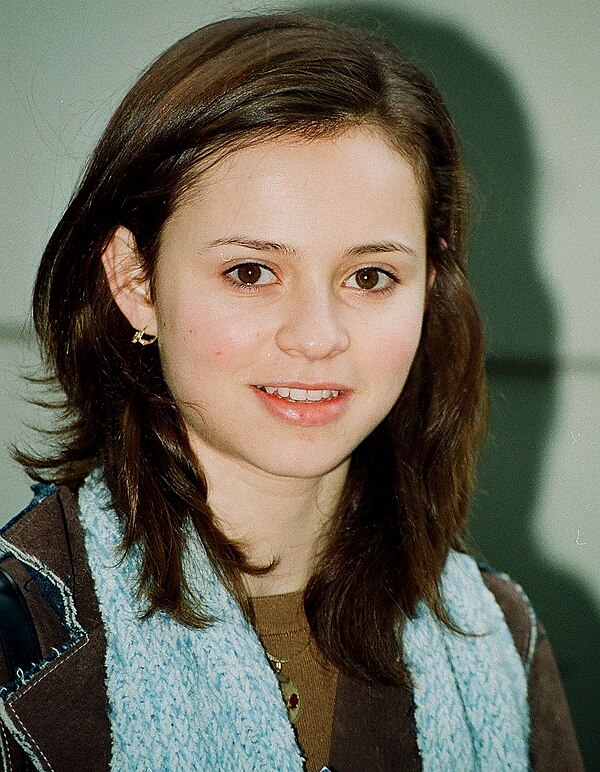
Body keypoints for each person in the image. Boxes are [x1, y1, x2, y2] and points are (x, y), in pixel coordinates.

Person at [0, 12, 582, 771]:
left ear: (429, 286)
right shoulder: (22, 641)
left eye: (370, 276)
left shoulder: (501, 640)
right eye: (251, 272)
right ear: (135, 281)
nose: (317, 336)